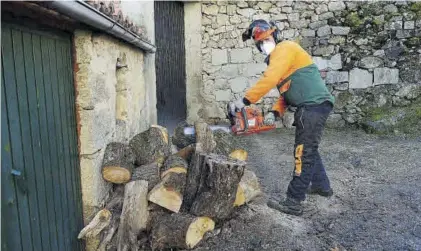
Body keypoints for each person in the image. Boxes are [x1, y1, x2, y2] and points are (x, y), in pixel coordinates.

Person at [231, 19, 335, 216]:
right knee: (309, 148)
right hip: (312, 106)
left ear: (275, 35)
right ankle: (322, 186)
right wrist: (274, 112)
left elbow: (269, 79)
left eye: (266, 40)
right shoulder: (282, 60)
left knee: (302, 152)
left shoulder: (285, 48)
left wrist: (244, 101)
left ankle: (294, 201)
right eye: (260, 43)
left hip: (312, 107)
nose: (264, 45)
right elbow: (286, 93)